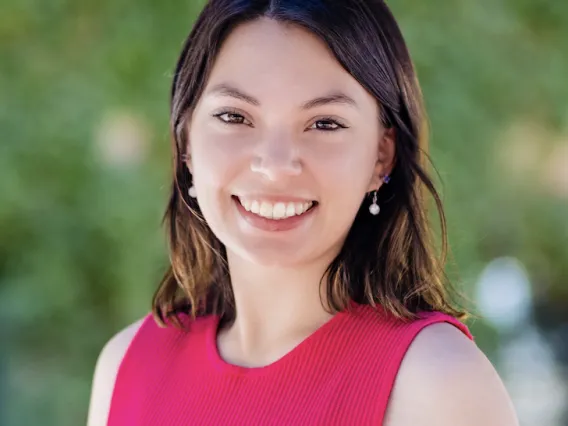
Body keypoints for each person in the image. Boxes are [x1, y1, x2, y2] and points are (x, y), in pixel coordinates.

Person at [87, 0, 520, 424]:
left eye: (325, 123)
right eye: (235, 116)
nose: (275, 166)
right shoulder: (127, 365)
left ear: (381, 157)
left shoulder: (437, 384)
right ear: (186, 144)